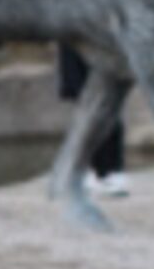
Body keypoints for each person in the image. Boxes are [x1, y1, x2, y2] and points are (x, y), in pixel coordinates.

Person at [55, 41, 130, 196]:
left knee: (104, 104)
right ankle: (93, 171)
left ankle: (111, 171)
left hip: (98, 40)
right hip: (75, 39)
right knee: (85, 104)